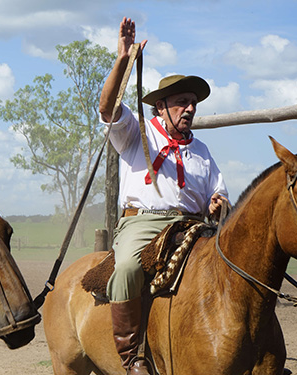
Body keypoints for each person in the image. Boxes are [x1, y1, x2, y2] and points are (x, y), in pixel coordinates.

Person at [99, 17, 229, 374]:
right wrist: (123, 58)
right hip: (144, 226)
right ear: (161, 106)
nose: (189, 108)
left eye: (193, 103)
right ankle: (132, 359)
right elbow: (107, 108)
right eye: (181, 103)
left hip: (192, 228)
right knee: (126, 269)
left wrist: (219, 205)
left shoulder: (202, 150)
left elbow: (219, 196)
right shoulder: (135, 131)